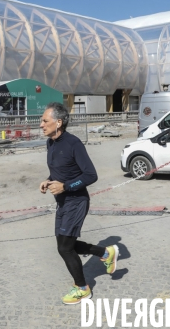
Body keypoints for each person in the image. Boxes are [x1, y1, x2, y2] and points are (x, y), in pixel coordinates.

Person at [39, 102, 119, 305]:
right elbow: (62, 169)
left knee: (64, 248)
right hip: (63, 201)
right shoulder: (51, 143)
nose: (41, 124)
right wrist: (48, 181)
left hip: (76, 200)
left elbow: (91, 175)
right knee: (66, 244)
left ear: (58, 122)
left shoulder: (73, 143)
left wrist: (65, 186)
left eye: (45, 121)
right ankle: (105, 253)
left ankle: (82, 288)